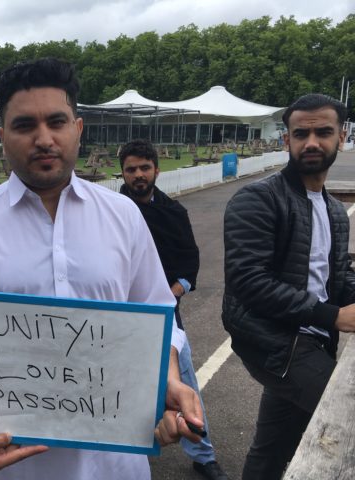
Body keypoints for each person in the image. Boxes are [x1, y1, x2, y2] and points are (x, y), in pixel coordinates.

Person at [0, 57, 204, 480]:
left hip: (114, 464)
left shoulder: (123, 217)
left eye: (56, 122)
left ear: (78, 129)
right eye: (25, 126)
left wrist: (166, 381)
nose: (44, 139)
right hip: (5, 467)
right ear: (2, 136)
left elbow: (157, 318)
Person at [223, 93, 355, 480]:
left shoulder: (333, 209)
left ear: (341, 137)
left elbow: (338, 278)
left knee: (272, 448)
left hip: (312, 338)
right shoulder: (257, 200)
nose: (312, 141)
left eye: (323, 132)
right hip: (273, 340)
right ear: (287, 141)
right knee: (346, 413)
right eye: (302, 133)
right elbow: (249, 282)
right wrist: (334, 316)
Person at [119, 139, 228, 480]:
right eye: (131, 169)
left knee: (183, 383)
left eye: (144, 168)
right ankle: (117, 446)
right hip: (117, 313)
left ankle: (202, 453)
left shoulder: (174, 213)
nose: (138, 175)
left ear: (156, 169)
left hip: (164, 312)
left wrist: (169, 292)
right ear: (121, 173)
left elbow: (189, 261)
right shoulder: (109, 211)